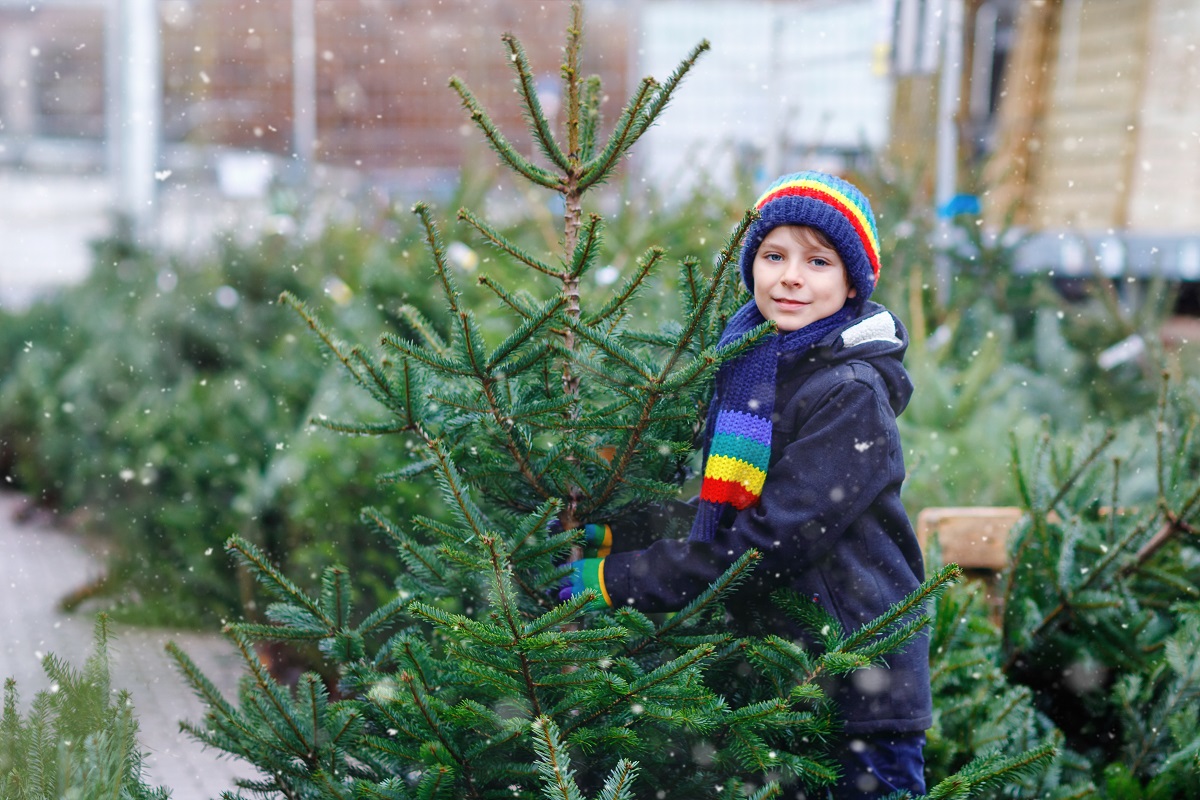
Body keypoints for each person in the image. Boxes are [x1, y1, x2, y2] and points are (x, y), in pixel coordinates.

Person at [558, 170, 931, 799]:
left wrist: (615, 582)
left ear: (851, 285)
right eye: (773, 255)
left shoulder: (850, 395)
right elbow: (720, 513)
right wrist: (618, 531)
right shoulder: (755, 368)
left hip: (856, 686)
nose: (790, 276)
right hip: (779, 679)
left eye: (817, 260)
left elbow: (765, 543)